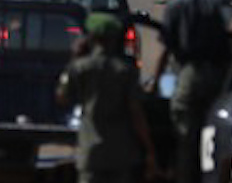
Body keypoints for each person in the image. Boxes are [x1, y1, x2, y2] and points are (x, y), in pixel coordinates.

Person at [154, 0, 232, 183]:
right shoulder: (218, 3)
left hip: (188, 75)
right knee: (216, 133)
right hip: (218, 77)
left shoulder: (176, 5)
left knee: (184, 137)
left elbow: (165, 48)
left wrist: (155, 81)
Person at [56, 12, 159, 183]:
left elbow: (62, 97)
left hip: (91, 152)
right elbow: (136, 112)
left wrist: (73, 59)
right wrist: (149, 149)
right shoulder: (125, 71)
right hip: (119, 154)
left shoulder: (80, 68)